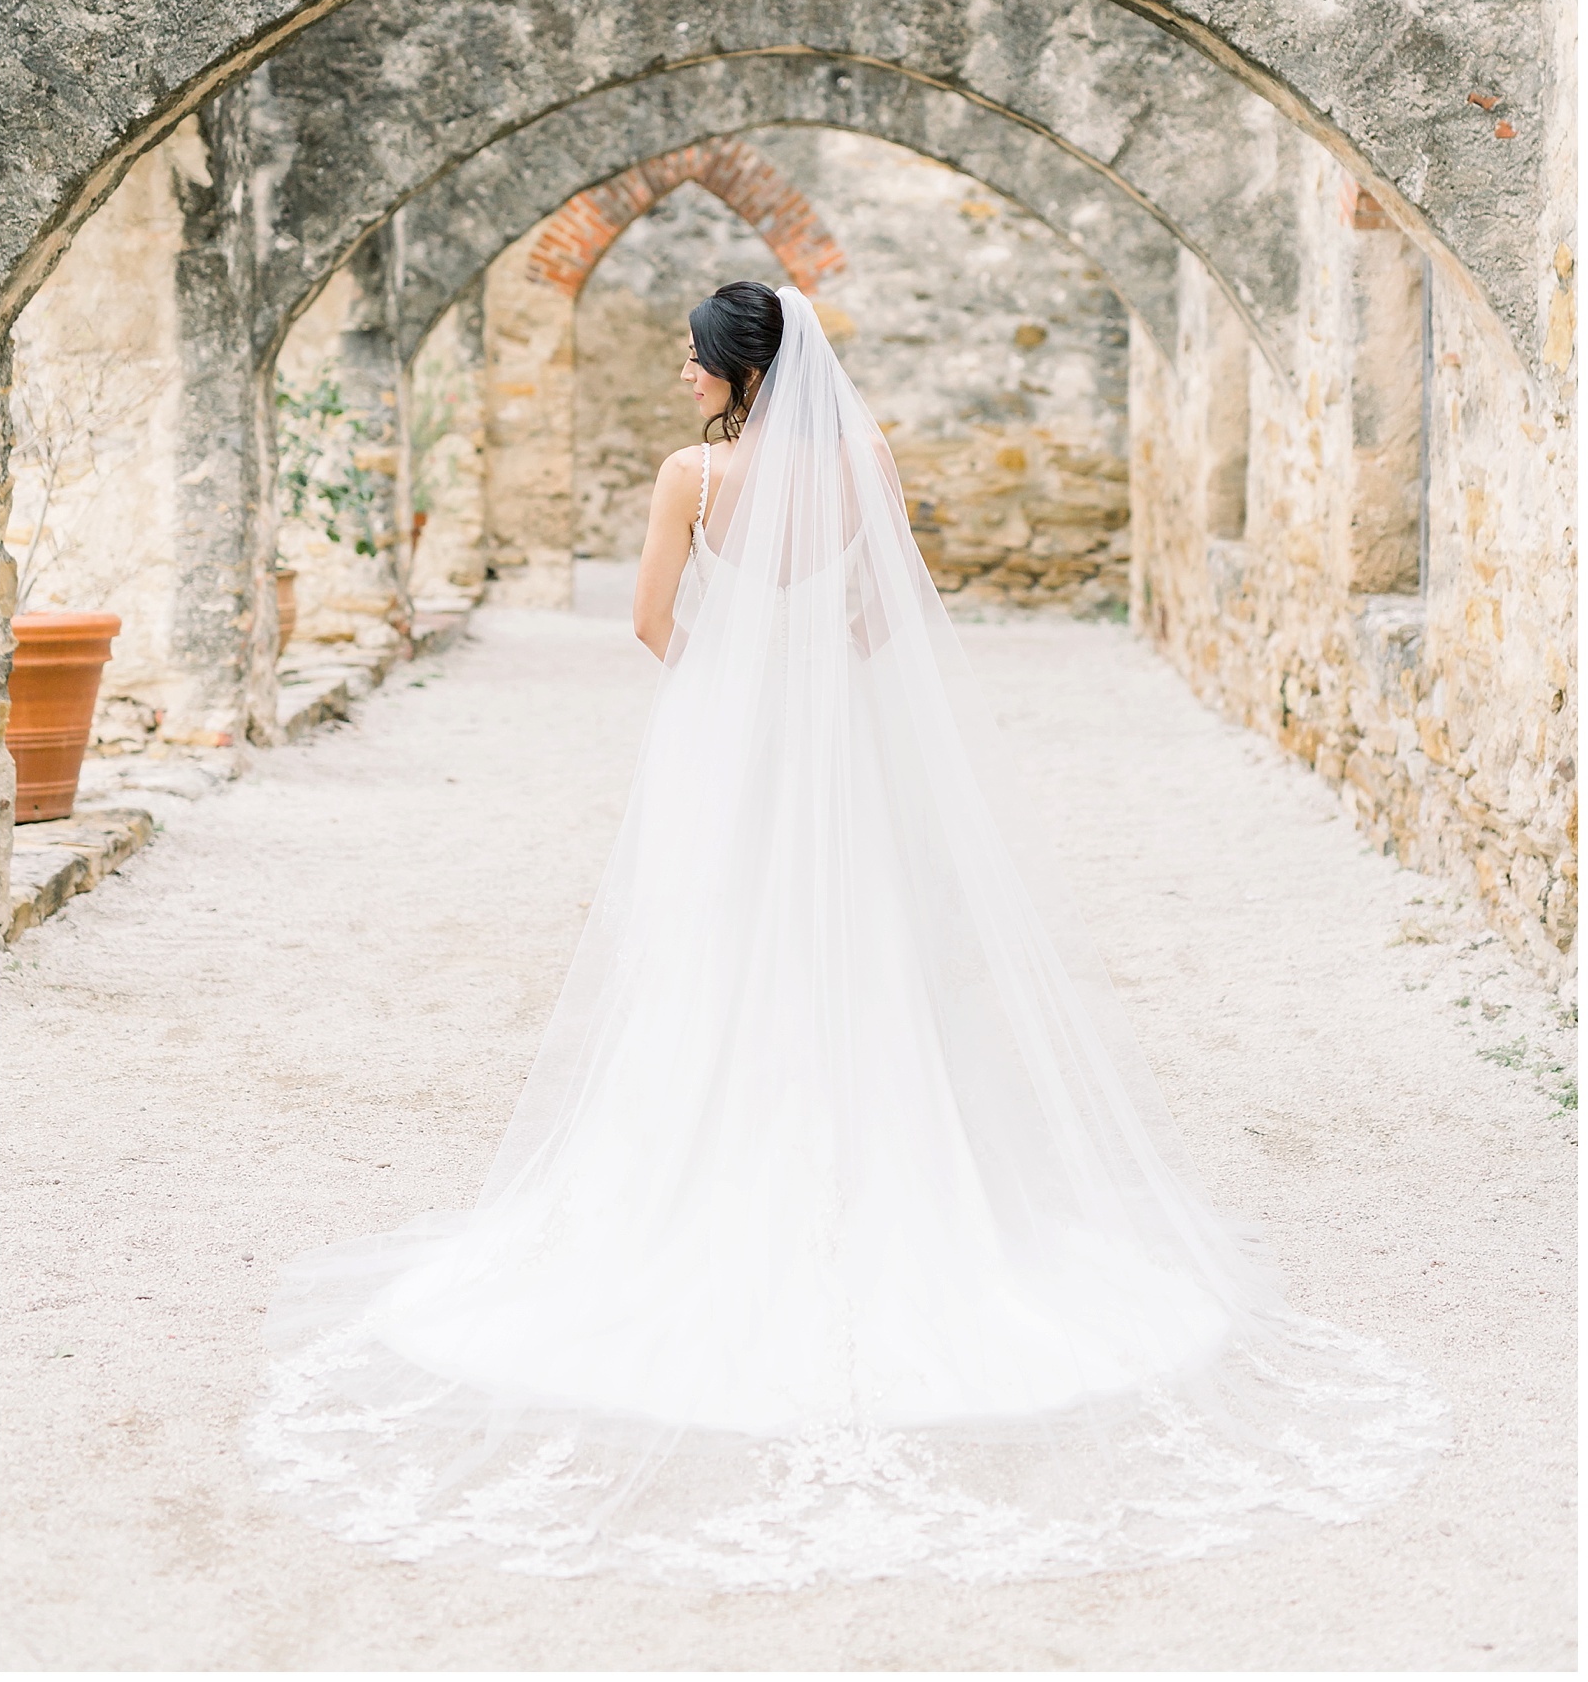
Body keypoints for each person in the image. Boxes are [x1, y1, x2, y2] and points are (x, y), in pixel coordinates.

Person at [250, 282, 1440, 1587]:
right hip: (846, 751)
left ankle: (717, 1166)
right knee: (869, 953)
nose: (677, 368)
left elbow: (652, 623)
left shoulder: (689, 479)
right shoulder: (866, 458)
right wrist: (818, 677)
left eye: (690, 353)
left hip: (731, 746)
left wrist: (744, 682)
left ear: (736, 366)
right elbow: (884, 612)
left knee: (718, 958)